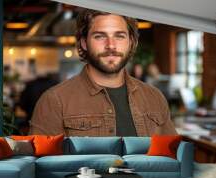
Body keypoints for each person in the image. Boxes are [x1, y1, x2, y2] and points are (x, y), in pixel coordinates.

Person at [29, 9, 176, 137]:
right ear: (84, 43)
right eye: (100, 36)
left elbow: (172, 159)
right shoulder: (54, 101)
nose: (111, 45)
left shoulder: (155, 97)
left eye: (119, 36)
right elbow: (42, 166)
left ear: (131, 42)